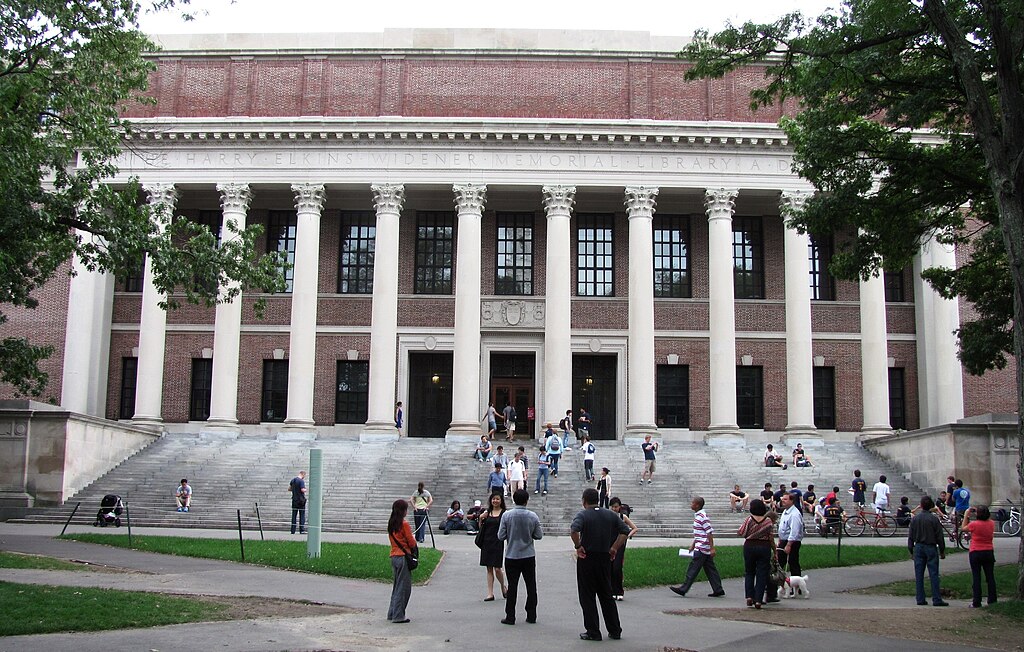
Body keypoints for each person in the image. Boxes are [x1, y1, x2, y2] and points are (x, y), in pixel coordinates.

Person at [570, 488, 630, 641]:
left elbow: (574, 530)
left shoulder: (583, 515)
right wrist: (614, 548)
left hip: (587, 558)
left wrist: (578, 546)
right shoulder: (610, 515)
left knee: (587, 596)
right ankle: (615, 629)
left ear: (584, 501)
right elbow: (625, 531)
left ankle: (593, 631)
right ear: (598, 500)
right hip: (604, 557)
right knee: (606, 595)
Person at [498, 489, 543, 625]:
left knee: (512, 586)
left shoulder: (506, 516)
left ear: (514, 500)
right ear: (526, 501)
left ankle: (510, 616)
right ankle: (531, 615)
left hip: (512, 555)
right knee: (531, 585)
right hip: (528, 555)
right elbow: (539, 535)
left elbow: (500, 535)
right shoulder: (533, 516)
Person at [670, 496, 725, 598]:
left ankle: (684, 589)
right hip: (702, 546)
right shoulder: (698, 516)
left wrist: (712, 548)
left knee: (693, 568)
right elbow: (699, 533)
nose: (691, 504)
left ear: (697, 505)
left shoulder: (702, 517)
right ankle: (718, 589)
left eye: (693, 503)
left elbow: (709, 532)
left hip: (702, 548)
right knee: (710, 569)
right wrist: (693, 545)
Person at [908, 495, 949, 606]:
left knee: (919, 574)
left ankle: (920, 598)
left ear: (921, 506)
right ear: (931, 506)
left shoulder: (915, 519)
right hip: (931, 546)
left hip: (918, 547)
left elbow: (911, 536)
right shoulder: (934, 519)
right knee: (934, 574)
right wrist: (942, 550)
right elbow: (939, 536)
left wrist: (911, 550)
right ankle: (936, 598)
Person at [738, 498, 775, 609]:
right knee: (762, 574)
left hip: (750, 546)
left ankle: (749, 596)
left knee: (749, 572)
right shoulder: (768, 521)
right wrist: (775, 550)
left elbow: (742, 532)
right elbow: (771, 537)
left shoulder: (749, 519)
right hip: (764, 547)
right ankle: (758, 600)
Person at [387, 499, 416, 623]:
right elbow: (411, 542)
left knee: (396, 586)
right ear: (403, 511)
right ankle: (398, 615)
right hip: (403, 556)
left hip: (394, 556)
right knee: (403, 588)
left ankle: (392, 613)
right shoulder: (404, 524)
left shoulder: (391, 524)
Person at [962, 505, 997, 607]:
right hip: (988, 550)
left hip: (976, 551)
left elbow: (963, 528)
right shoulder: (991, 523)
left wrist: (966, 515)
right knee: (990, 577)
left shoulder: (974, 524)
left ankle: (976, 601)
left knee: (976, 577)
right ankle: (992, 600)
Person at [478, 493, 508, 601]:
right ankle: (490, 593)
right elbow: (481, 528)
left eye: (497, 499)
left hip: (498, 542)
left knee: (497, 568)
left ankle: (503, 587)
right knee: (489, 569)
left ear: (501, 501)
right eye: (493, 499)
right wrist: (480, 518)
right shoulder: (487, 512)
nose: (495, 501)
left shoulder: (504, 513)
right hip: (486, 542)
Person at [608, 497, 638, 601]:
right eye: (612, 507)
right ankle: (611, 591)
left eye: (616, 507)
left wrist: (627, 536)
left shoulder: (623, 517)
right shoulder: (607, 516)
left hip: (620, 544)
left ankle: (619, 591)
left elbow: (634, 528)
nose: (614, 509)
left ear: (620, 507)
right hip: (609, 543)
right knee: (610, 567)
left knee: (617, 567)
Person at [777, 491, 804, 578]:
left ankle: (796, 582)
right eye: (782, 499)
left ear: (792, 501)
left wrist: (789, 545)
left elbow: (794, 531)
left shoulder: (794, 514)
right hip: (783, 540)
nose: (783, 501)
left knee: (793, 562)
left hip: (792, 542)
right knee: (779, 562)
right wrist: (780, 540)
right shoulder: (785, 511)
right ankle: (777, 581)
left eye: (785, 499)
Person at [288, 470, 307, 534]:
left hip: (294, 500)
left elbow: (289, 489)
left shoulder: (293, 480)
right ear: (303, 474)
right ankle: (302, 530)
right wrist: (306, 490)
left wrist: (295, 490)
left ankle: (292, 530)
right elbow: (302, 490)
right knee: (302, 515)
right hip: (301, 500)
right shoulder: (301, 481)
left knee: (294, 515)